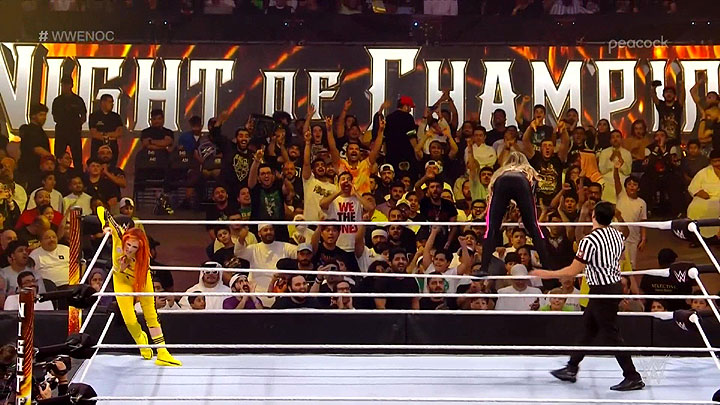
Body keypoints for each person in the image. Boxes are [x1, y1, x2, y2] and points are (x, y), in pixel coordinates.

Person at [531, 201, 643, 391]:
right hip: (611, 286)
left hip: (602, 290)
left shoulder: (589, 241)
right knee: (588, 328)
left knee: (611, 333)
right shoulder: (617, 235)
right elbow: (620, 258)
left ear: (594, 216)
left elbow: (572, 271)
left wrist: (546, 274)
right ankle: (571, 368)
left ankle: (633, 376)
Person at [97, 206, 181, 366]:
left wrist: (126, 263)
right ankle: (141, 340)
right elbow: (101, 210)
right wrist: (105, 226)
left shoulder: (143, 258)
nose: (129, 249)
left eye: (134, 247)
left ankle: (162, 352)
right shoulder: (118, 235)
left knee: (151, 315)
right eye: (128, 245)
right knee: (129, 320)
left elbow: (137, 271)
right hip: (122, 281)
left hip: (141, 280)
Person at [480, 152, 549, 273]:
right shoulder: (527, 170)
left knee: (491, 228)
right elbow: (532, 192)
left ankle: (484, 268)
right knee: (534, 227)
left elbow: (491, 190)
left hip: (501, 183)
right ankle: (547, 265)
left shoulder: (501, 172)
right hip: (521, 183)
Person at [52, 77, 87, 170]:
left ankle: (78, 174)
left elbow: (83, 116)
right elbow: (55, 117)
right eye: (63, 85)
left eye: (66, 85)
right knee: (59, 156)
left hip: (74, 132)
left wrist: (77, 125)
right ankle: (58, 174)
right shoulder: (57, 101)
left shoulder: (78, 100)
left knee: (77, 157)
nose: (64, 87)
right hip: (61, 132)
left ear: (71, 85)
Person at [18, 103, 52, 188]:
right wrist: (51, 158)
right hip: (30, 169)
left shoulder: (40, 131)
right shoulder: (29, 130)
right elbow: (36, 148)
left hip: (38, 169)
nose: (44, 117)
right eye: (41, 115)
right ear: (33, 116)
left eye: (45, 115)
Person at [89, 94, 124, 165]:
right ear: (103, 103)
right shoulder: (94, 116)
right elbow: (94, 133)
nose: (112, 104)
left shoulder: (116, 117)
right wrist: (110, 136)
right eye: (110, 102)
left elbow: (119, 132)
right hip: (97, 145)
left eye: (112, 102)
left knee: (112, 166)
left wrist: (104, 134)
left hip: (112, 146)